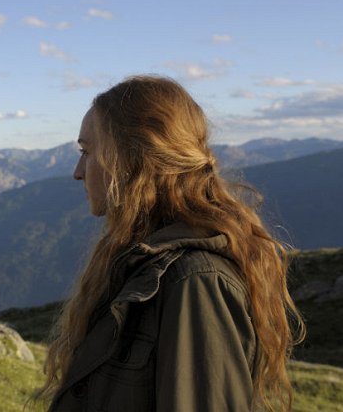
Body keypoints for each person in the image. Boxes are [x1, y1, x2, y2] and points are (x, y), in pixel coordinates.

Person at [35, 75, 303, 411]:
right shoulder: (143, 262)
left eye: (87, 151)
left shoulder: (196, 282)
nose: (77, 171)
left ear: (133, 157)